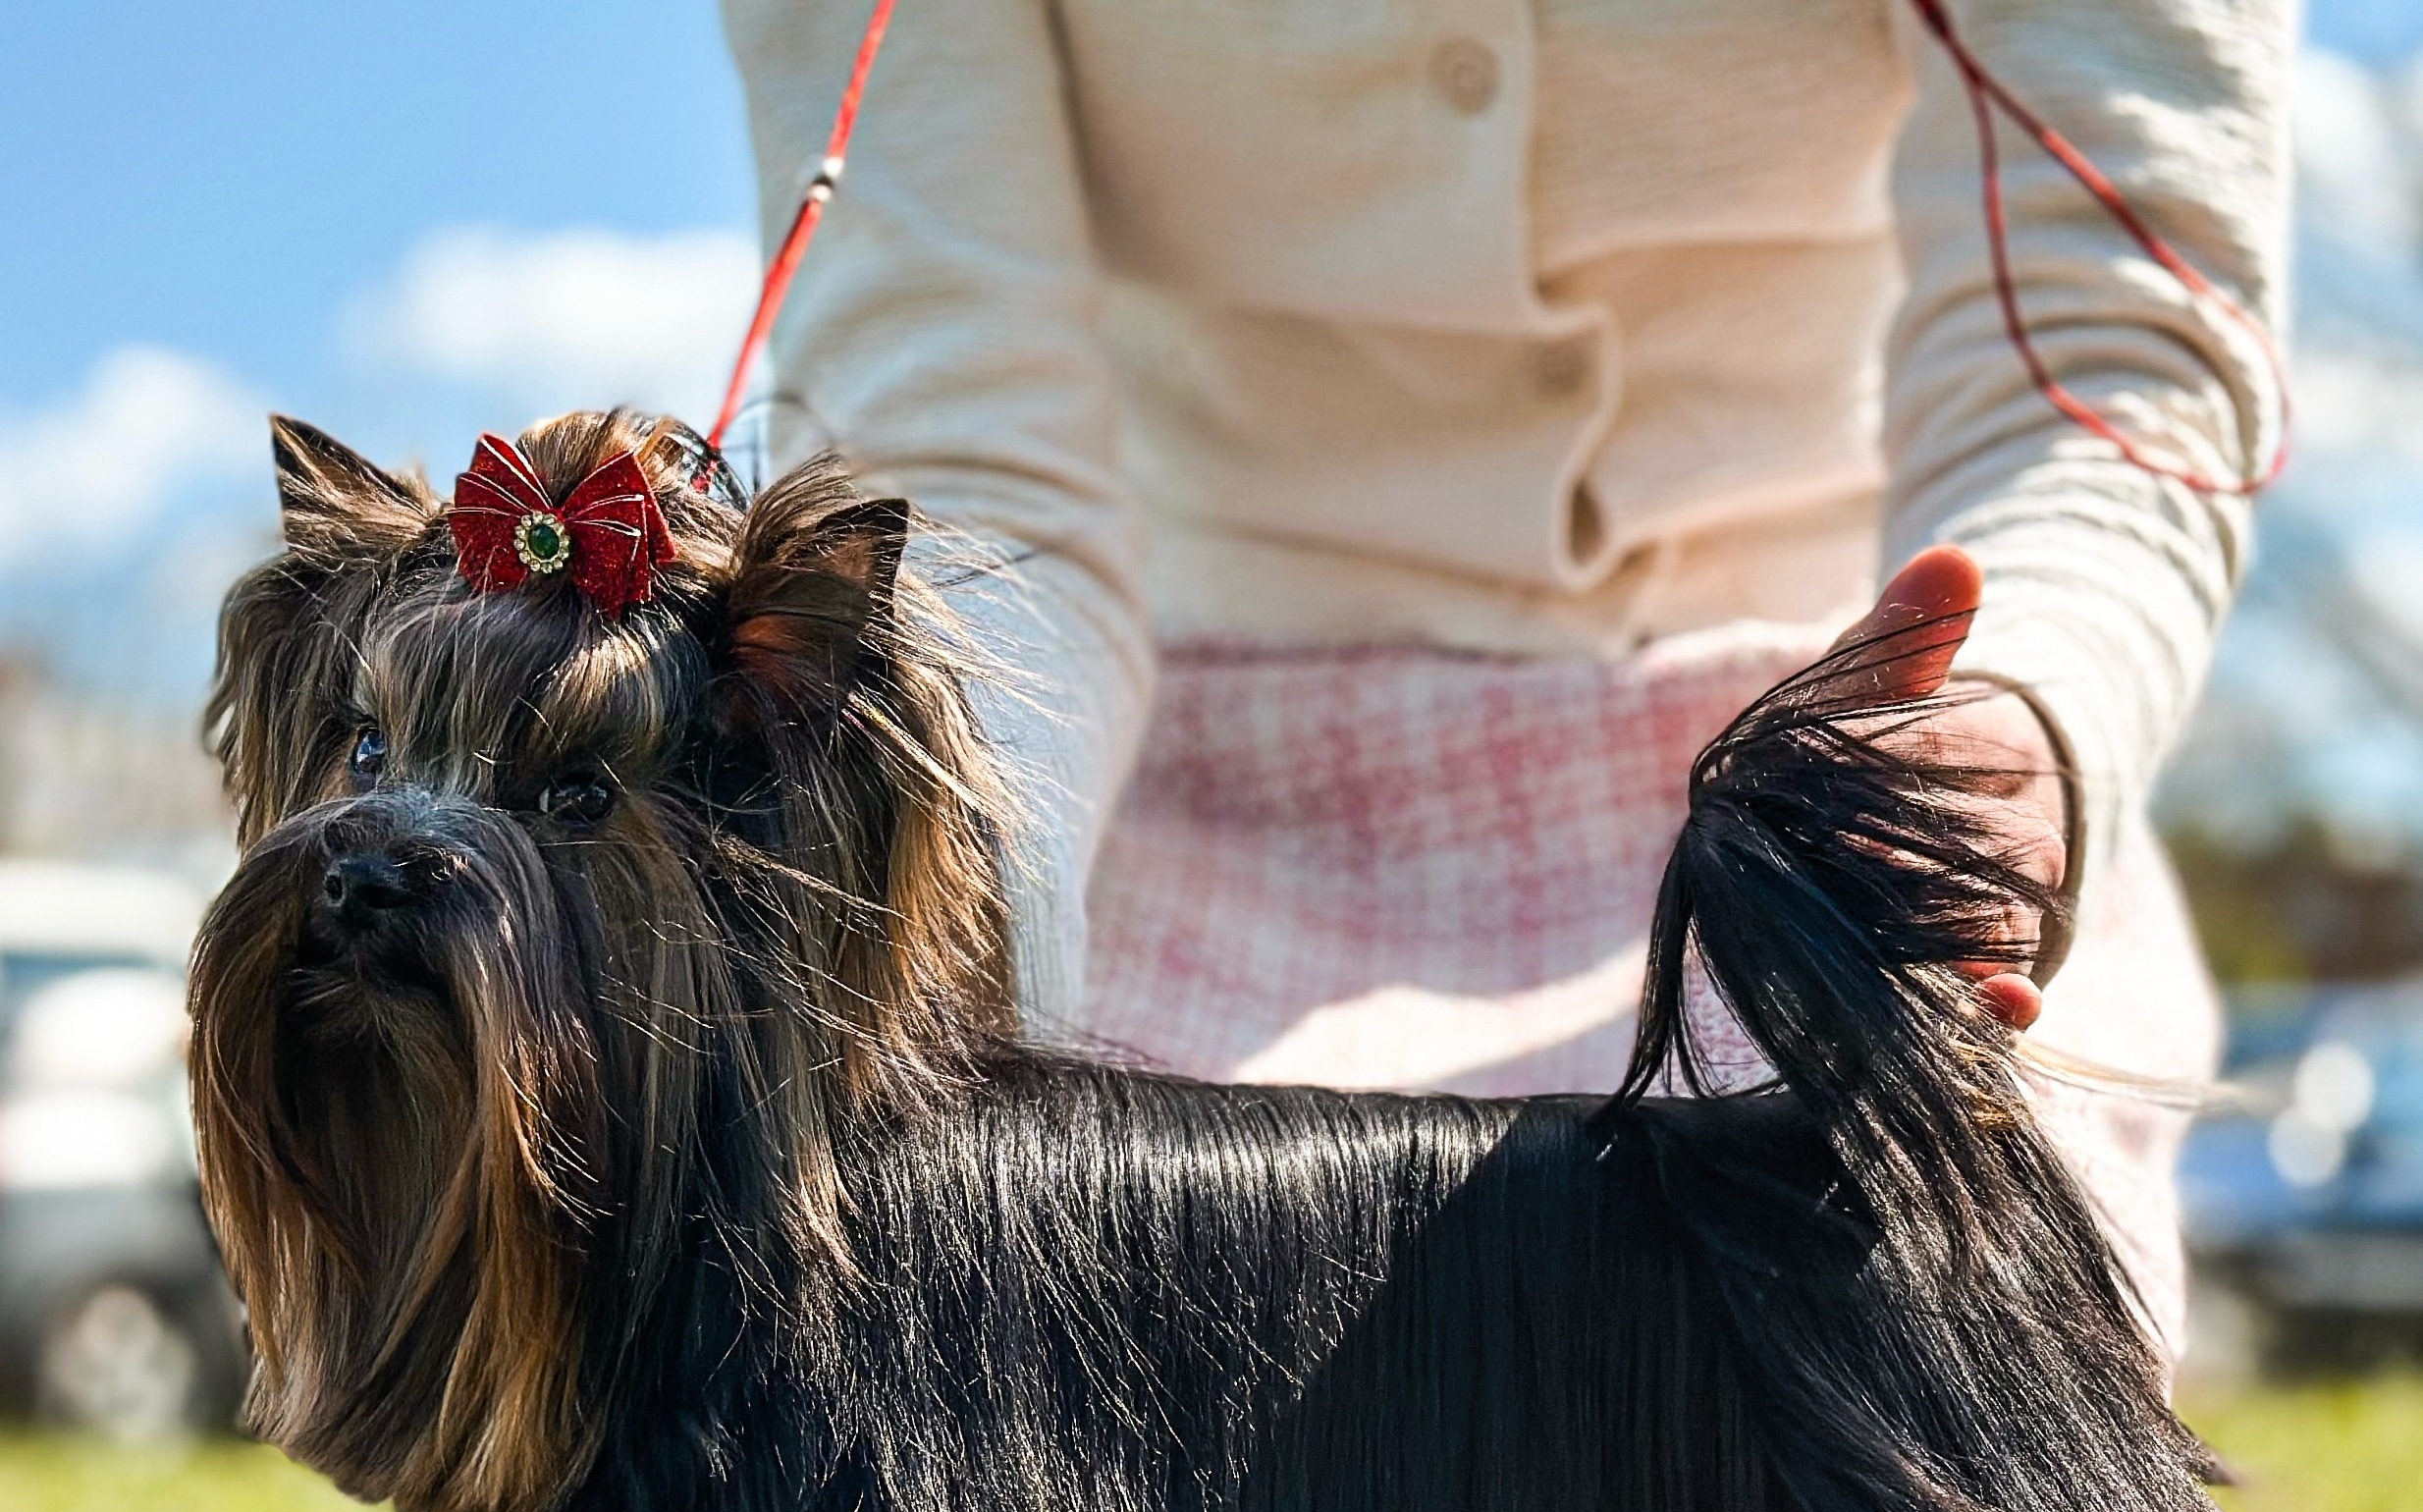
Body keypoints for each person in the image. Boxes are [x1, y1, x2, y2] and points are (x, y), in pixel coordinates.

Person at [722, 0, 2292, 1358]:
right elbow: (959, 468)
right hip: (1130, 785)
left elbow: (2112, 353)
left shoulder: (1911, 751)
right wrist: (940, 873)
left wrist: (2014, 708)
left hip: (1832, 773)